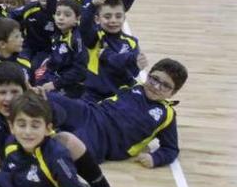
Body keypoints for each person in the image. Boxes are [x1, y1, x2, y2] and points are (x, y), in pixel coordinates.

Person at [47, 58, 188, 169]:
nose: (156, 86)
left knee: (59, 148)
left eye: (165, 85)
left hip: (102, 140)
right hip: (90, 113)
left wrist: (155, 158)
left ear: (173, 93)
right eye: (155, 79)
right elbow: (114, 70)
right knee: (46, 98)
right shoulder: (134, 86)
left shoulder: (167, 115)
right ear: (148, 75)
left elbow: (171, 149)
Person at [79, 0, 147, 102]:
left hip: (121, 96)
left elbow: (133, 72)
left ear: (124, 18)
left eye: (118, 16)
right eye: (107, 16)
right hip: (94, 96)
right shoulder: (95, 38)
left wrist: (139, 65)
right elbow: (84, 27)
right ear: (97, 19)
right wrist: (92, 6)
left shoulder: (132, 42)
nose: (113, 20)